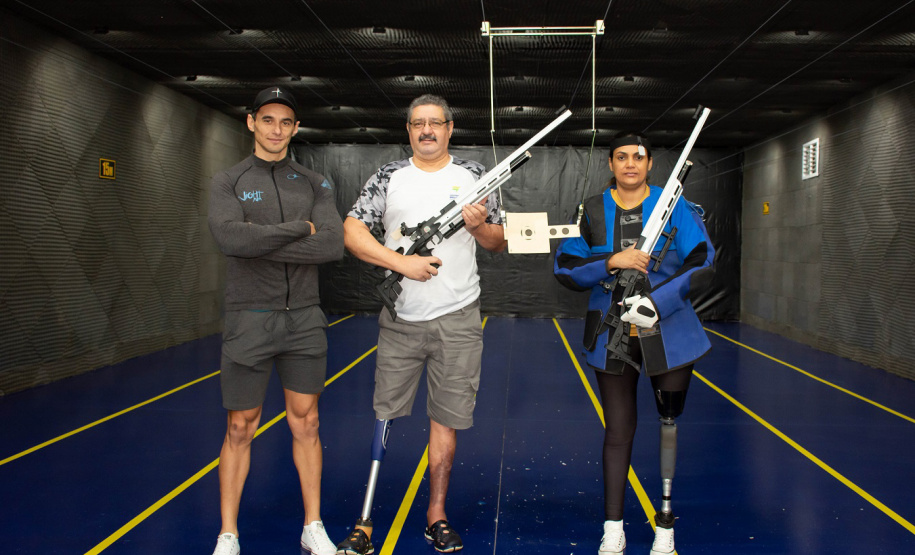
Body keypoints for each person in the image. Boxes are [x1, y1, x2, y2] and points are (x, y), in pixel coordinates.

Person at [336, 94, 506, 554]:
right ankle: (366, 519)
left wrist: (477, 227)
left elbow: (499, 241)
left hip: (458, 318)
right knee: (384, 413)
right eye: (418, 123)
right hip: (400, 318)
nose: (427, 130)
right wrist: (400, 262)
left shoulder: (477, 176)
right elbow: (352, 230)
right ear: (408, 130)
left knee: (446, 419)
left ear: (451, 128)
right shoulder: (389, 177)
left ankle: (437, 515)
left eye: (436, 123)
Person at [553, 131, 714, 555]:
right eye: (621, 157)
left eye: (638, 157)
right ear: (610, 163)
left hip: (670, 330)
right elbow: (565, 266)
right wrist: (611, 261)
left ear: (649, 164)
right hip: (610, 333)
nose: (630, 164)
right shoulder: (590, 209)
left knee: (669, 424)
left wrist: (657, 303)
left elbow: (703, 260)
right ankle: (613, 527)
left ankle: (665, 527)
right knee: (618, 430)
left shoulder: (674, 204)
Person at [206, 85, 344, 555]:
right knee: (240, 425)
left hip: (304, 318)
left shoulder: (315, 183)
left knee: (306, 423)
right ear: (251, 122)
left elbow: (331, 245)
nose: (277, 130)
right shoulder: (228, 181)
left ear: (296, 128)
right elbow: (230, 240)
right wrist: (296, 230)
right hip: (249, 318)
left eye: (286, 122)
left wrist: (261, 237)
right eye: (268, 120)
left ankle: (313, 526)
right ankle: (228, 534)